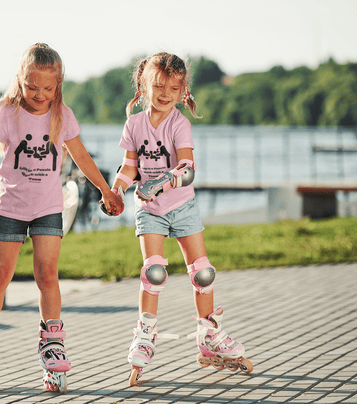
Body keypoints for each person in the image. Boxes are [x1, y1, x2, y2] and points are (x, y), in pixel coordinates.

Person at [0, 43, 123, 393]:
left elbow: (83, 158)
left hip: (48, 206)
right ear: (20, 79)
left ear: (58, 84)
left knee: (47, 274)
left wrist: (106, 190)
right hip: (11, 207)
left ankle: (52, 342)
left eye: (48, 88)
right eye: (32, 87)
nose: (40, 94)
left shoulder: (63, 115)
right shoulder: (7, 113)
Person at [109, 53, 252, 385]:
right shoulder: (134, 124)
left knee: (202, 273)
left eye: (172, 88)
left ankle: (208, 334)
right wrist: (117, 188)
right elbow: (130, 166)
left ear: (182, 90)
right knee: (154, 270)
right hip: (150, 210)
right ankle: (145, 334)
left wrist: (162, 182)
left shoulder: (178, 123)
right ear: (143, 85)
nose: (164, 93)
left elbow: (187, 170)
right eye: (158, 86)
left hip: (182, 205)